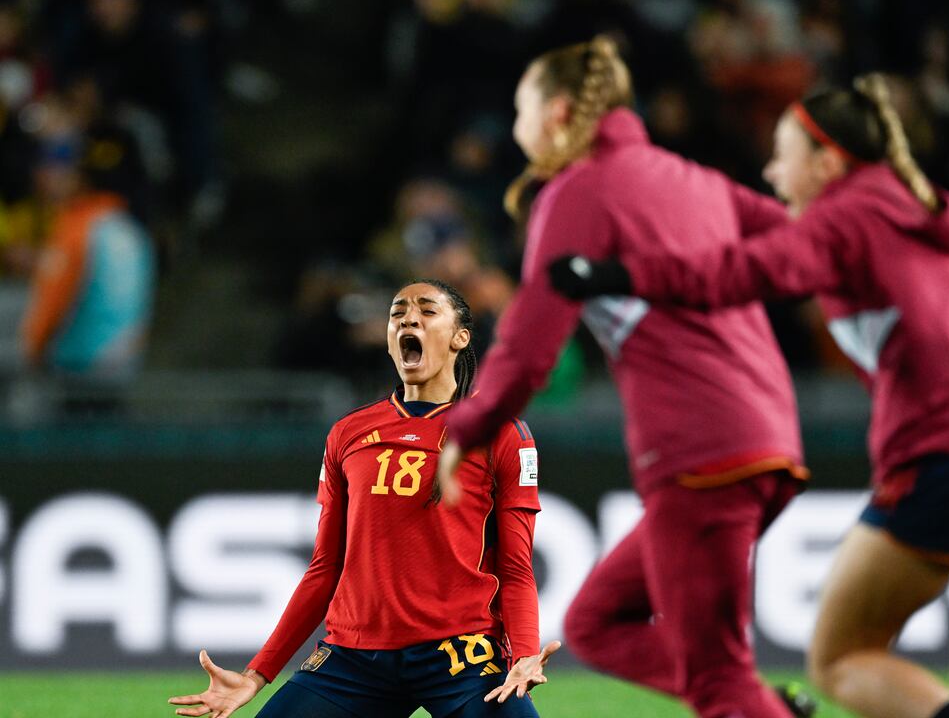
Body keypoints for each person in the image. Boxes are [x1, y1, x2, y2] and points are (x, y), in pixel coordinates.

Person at [549, 73, 949, 718]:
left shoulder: (846, 216)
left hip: (947, 455)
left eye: (784, 156)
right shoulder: (948, 217)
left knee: (840, 659)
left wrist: (618, 273)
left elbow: (741, 271)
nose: (772, 173)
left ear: (828, 164)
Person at [435, 36, 810, 718]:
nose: (517, 131)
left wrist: (464, 429)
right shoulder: (695, 180)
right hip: (765, 438)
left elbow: (529, 348)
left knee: (717, 680)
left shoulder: (579, 192)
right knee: (596, 623)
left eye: (521, 112)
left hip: (703, 454)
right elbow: (808, 241)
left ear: (556, 113)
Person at [167, 279, 557, 718]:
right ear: (389, 341)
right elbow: (325, 567)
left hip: (460, 654)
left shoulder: (501, 433)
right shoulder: (349, 433)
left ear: (460, 337)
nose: (409, 319)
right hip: (355, 657)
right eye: (397, 313)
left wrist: (524, 653)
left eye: (427, 311)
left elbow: (516, 568)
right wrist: (257, 674)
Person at [20, 124, 154, 377]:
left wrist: (32, 351)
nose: (42, 176)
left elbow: (54, 298)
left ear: (79, 176)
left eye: (55, 168)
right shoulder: (126, 228)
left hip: (77, 367)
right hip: (122, 365)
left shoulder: (78, 229)